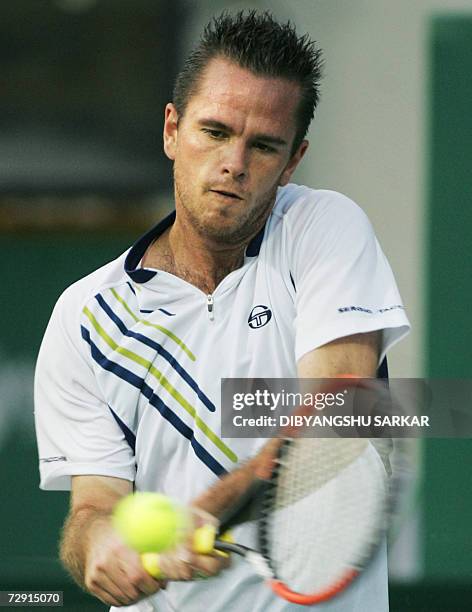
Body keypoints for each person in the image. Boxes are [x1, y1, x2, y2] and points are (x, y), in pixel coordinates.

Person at [34, 10, 410, 612]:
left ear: (292, 162)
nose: (234, 162)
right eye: (214, 132)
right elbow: (91, 507)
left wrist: (210, 510)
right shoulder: (85, 317)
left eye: (263, 145)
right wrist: (100, 545)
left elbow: (334, 411)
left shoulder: (323, 229)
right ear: (171, 131)